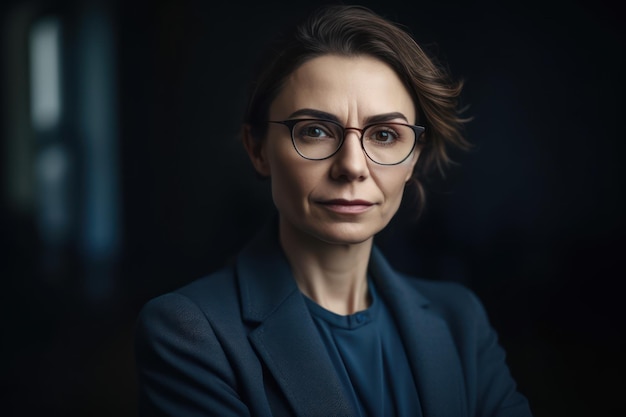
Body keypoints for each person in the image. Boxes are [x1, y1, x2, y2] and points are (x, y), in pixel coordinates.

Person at [134, 4, 533, 416]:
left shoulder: (460, 321)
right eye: (316, 131)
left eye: (384, 134)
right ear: (258, 150)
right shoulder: (189, 332)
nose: (352, 167)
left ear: (413, 158)